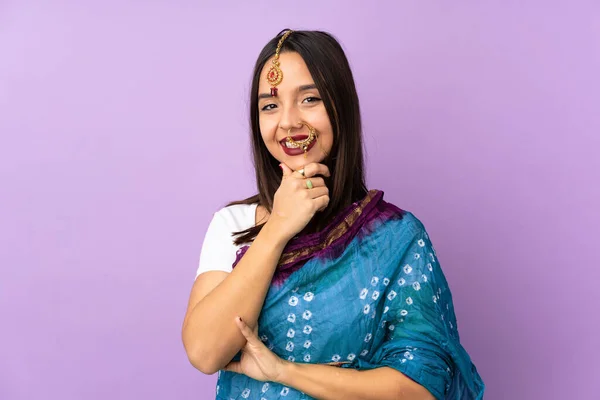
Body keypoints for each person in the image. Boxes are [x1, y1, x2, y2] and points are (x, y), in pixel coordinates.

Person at [181, 29, 485, 400]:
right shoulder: (234, 224)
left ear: (340, 107)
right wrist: (277, 227)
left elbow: (422, 386)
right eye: (270, 106)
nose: (288, 122)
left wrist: (285, 372)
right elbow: (204, 351)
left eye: (309, 99)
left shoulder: (396, 238)